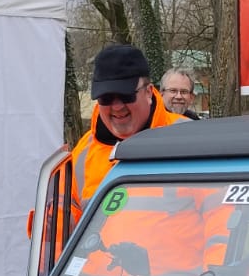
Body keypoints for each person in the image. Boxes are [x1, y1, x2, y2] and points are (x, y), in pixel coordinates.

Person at [66, 44, 185, 224]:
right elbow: (60, 221)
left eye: (126, 96)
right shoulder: (83, 152)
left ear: (148, 92)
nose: (117, 107)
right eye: (106, 98)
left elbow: (220, 217)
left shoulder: (188, 138)